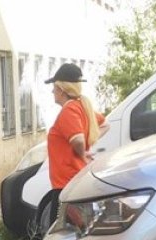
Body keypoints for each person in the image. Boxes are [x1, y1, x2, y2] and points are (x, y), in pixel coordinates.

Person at [41, 63, 107, 230]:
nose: (52, 92)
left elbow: (77, 139)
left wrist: (83, 152)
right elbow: (105, 125)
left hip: (66, 186)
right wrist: (86, 147)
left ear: (61, 89)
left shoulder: (68, 111)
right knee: (83, 232)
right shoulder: (81, 107)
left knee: (59, 237)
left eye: (54, 87)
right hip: (76, 182)